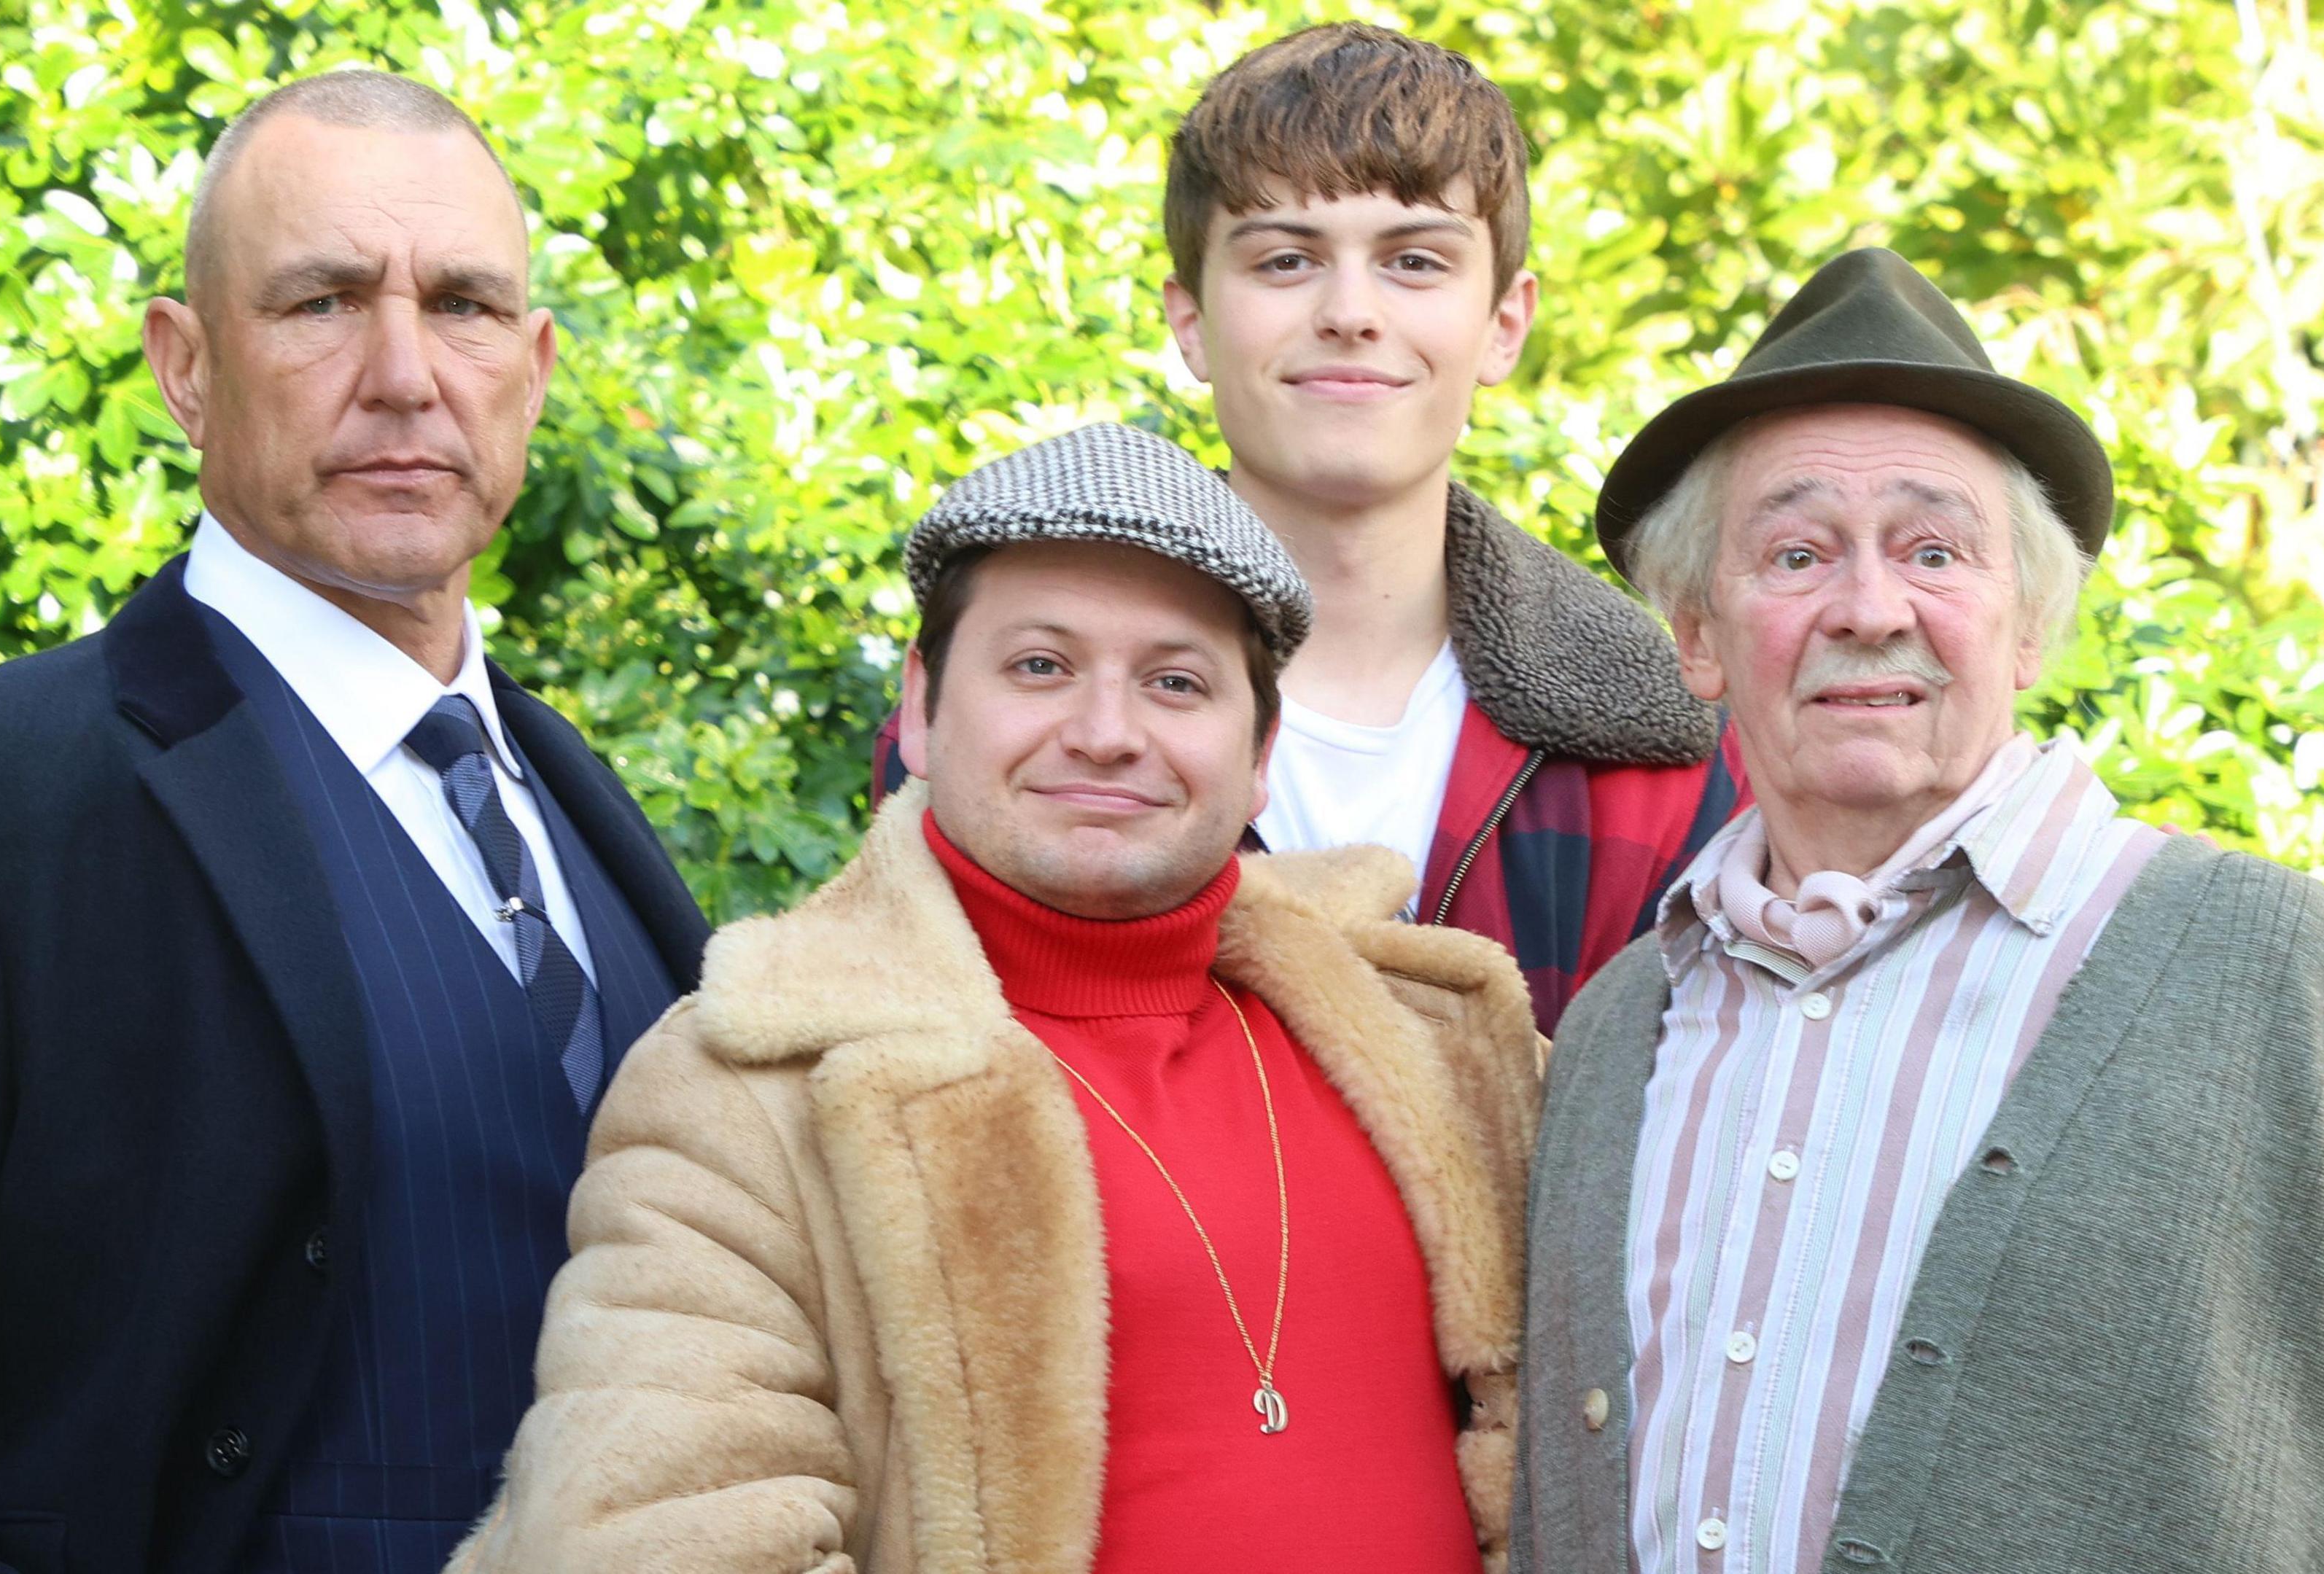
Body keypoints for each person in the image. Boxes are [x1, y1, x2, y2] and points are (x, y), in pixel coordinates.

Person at [0, 71, 710, 1574]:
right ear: (186, 366)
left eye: (470, 307)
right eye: (322, 302)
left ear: (538, 368)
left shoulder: (582, 814)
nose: (407, 373)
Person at [1512, 247, 2324, 1573]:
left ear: (2028, 625)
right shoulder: (1622, 1025)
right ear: (1696, 633)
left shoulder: (2297, 987)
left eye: (1934, 551)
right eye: (1797, 553)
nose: (1868, 610)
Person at [448, 423, 1542, 1573]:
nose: (1108, 733)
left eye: (1177, 682)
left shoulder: (1442, 1037)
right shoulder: (749, 1088)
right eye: (1040, 667)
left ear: (1262, 748)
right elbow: (647, 1541)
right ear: (921, 707)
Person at [878, 23, 1746, 1036]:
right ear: (1192, 321)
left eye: (1415, 261)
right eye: (1286, 260)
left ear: (1505, 322)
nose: (1350, 312)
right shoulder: (1016, 700)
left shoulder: (1658, 743)